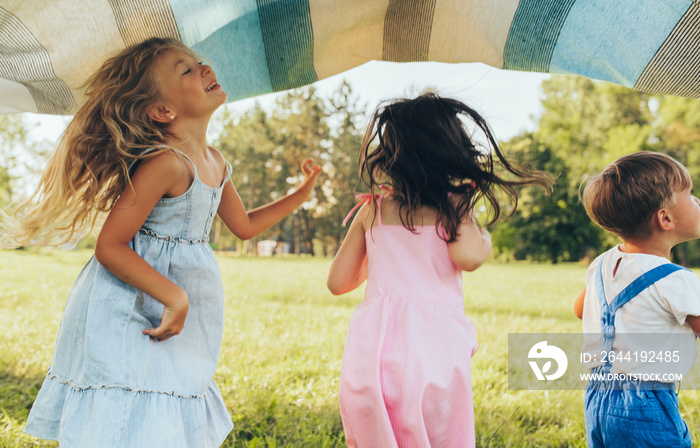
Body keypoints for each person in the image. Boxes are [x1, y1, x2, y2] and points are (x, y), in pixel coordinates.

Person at [13, 37, 321, 447]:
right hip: (129, 306)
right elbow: (110, 246)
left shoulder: (215, 161)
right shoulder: (165, 163)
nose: (206, 69)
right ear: (162, 110)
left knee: (165, 399)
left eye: (199, 63)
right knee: (128, 406)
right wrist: (174, 296)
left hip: (177, 305)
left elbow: (243, 226)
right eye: (188, 70)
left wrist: (300, 195)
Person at [327, 93, 553, 447]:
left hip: (371, 355)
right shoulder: (451, 210)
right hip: (431, 349)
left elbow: (338, 282)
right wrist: (478, 229)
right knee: (440, 433)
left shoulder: (371, 211)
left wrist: (387, 262)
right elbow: (469, 257)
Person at [574, 152, 700, 448]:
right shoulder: (676, 279)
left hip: (598, 395)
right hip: (648, 403)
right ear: (665, 219)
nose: (698, 201)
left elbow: (580, 309)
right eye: (691, 195)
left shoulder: (602, 263)